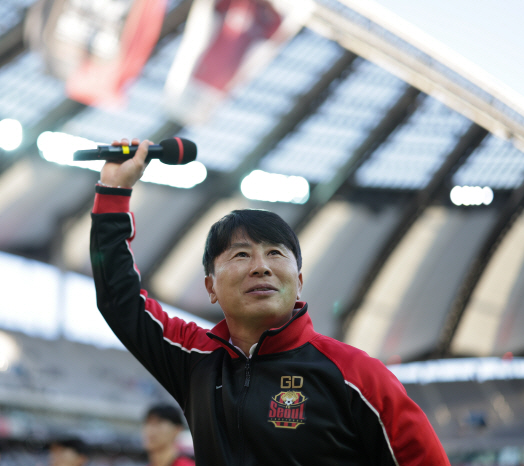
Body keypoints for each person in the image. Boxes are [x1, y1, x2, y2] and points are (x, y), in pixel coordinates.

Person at [89, 138, 450, 465]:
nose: (260, 267)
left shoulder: (358, 376)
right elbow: (121, 300)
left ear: (300, 282)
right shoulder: (194, 361)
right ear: (210, 287)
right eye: (241, 255)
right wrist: (114, 190)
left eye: (275, 253)